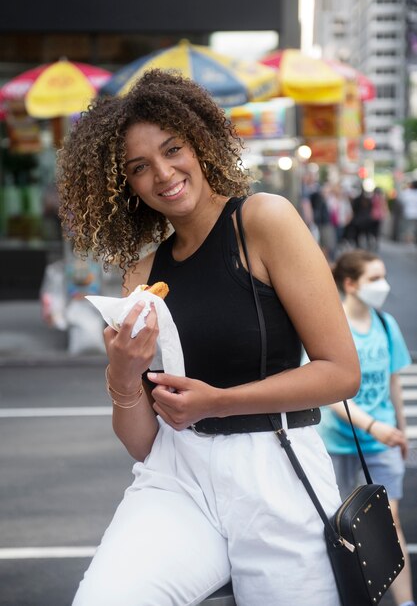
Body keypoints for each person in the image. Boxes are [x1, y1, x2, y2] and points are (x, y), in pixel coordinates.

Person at [57, 69, 360, 606]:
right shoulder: (140, 275)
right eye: (139, 167)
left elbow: (340, 372)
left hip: (275, 473)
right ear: (124, 185)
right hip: (178, 479)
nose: (164, 173)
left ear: (199, 143)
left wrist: (219, 402)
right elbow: (144, 441)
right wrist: (123, 375)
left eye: (173, 149)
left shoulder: (263, 220)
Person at [318, 249, 415, 606]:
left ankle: (405, 602)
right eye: (374, 278)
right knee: (341, 531)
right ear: (350, 284)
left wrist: (399, 431)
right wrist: (374, 426)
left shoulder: (386, 325)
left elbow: (393, 384)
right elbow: (328, 391)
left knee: (389, 526)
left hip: (381, 444)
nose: (383, 285)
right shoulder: (331, 329)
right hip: (337, 445)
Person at [399, 179, 417, 244]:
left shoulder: (407, 192)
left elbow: (401, 200)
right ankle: (412, 240)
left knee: (408, 228)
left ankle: (408, 241)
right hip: (415, 214)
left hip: (408, 213)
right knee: (414, 228)